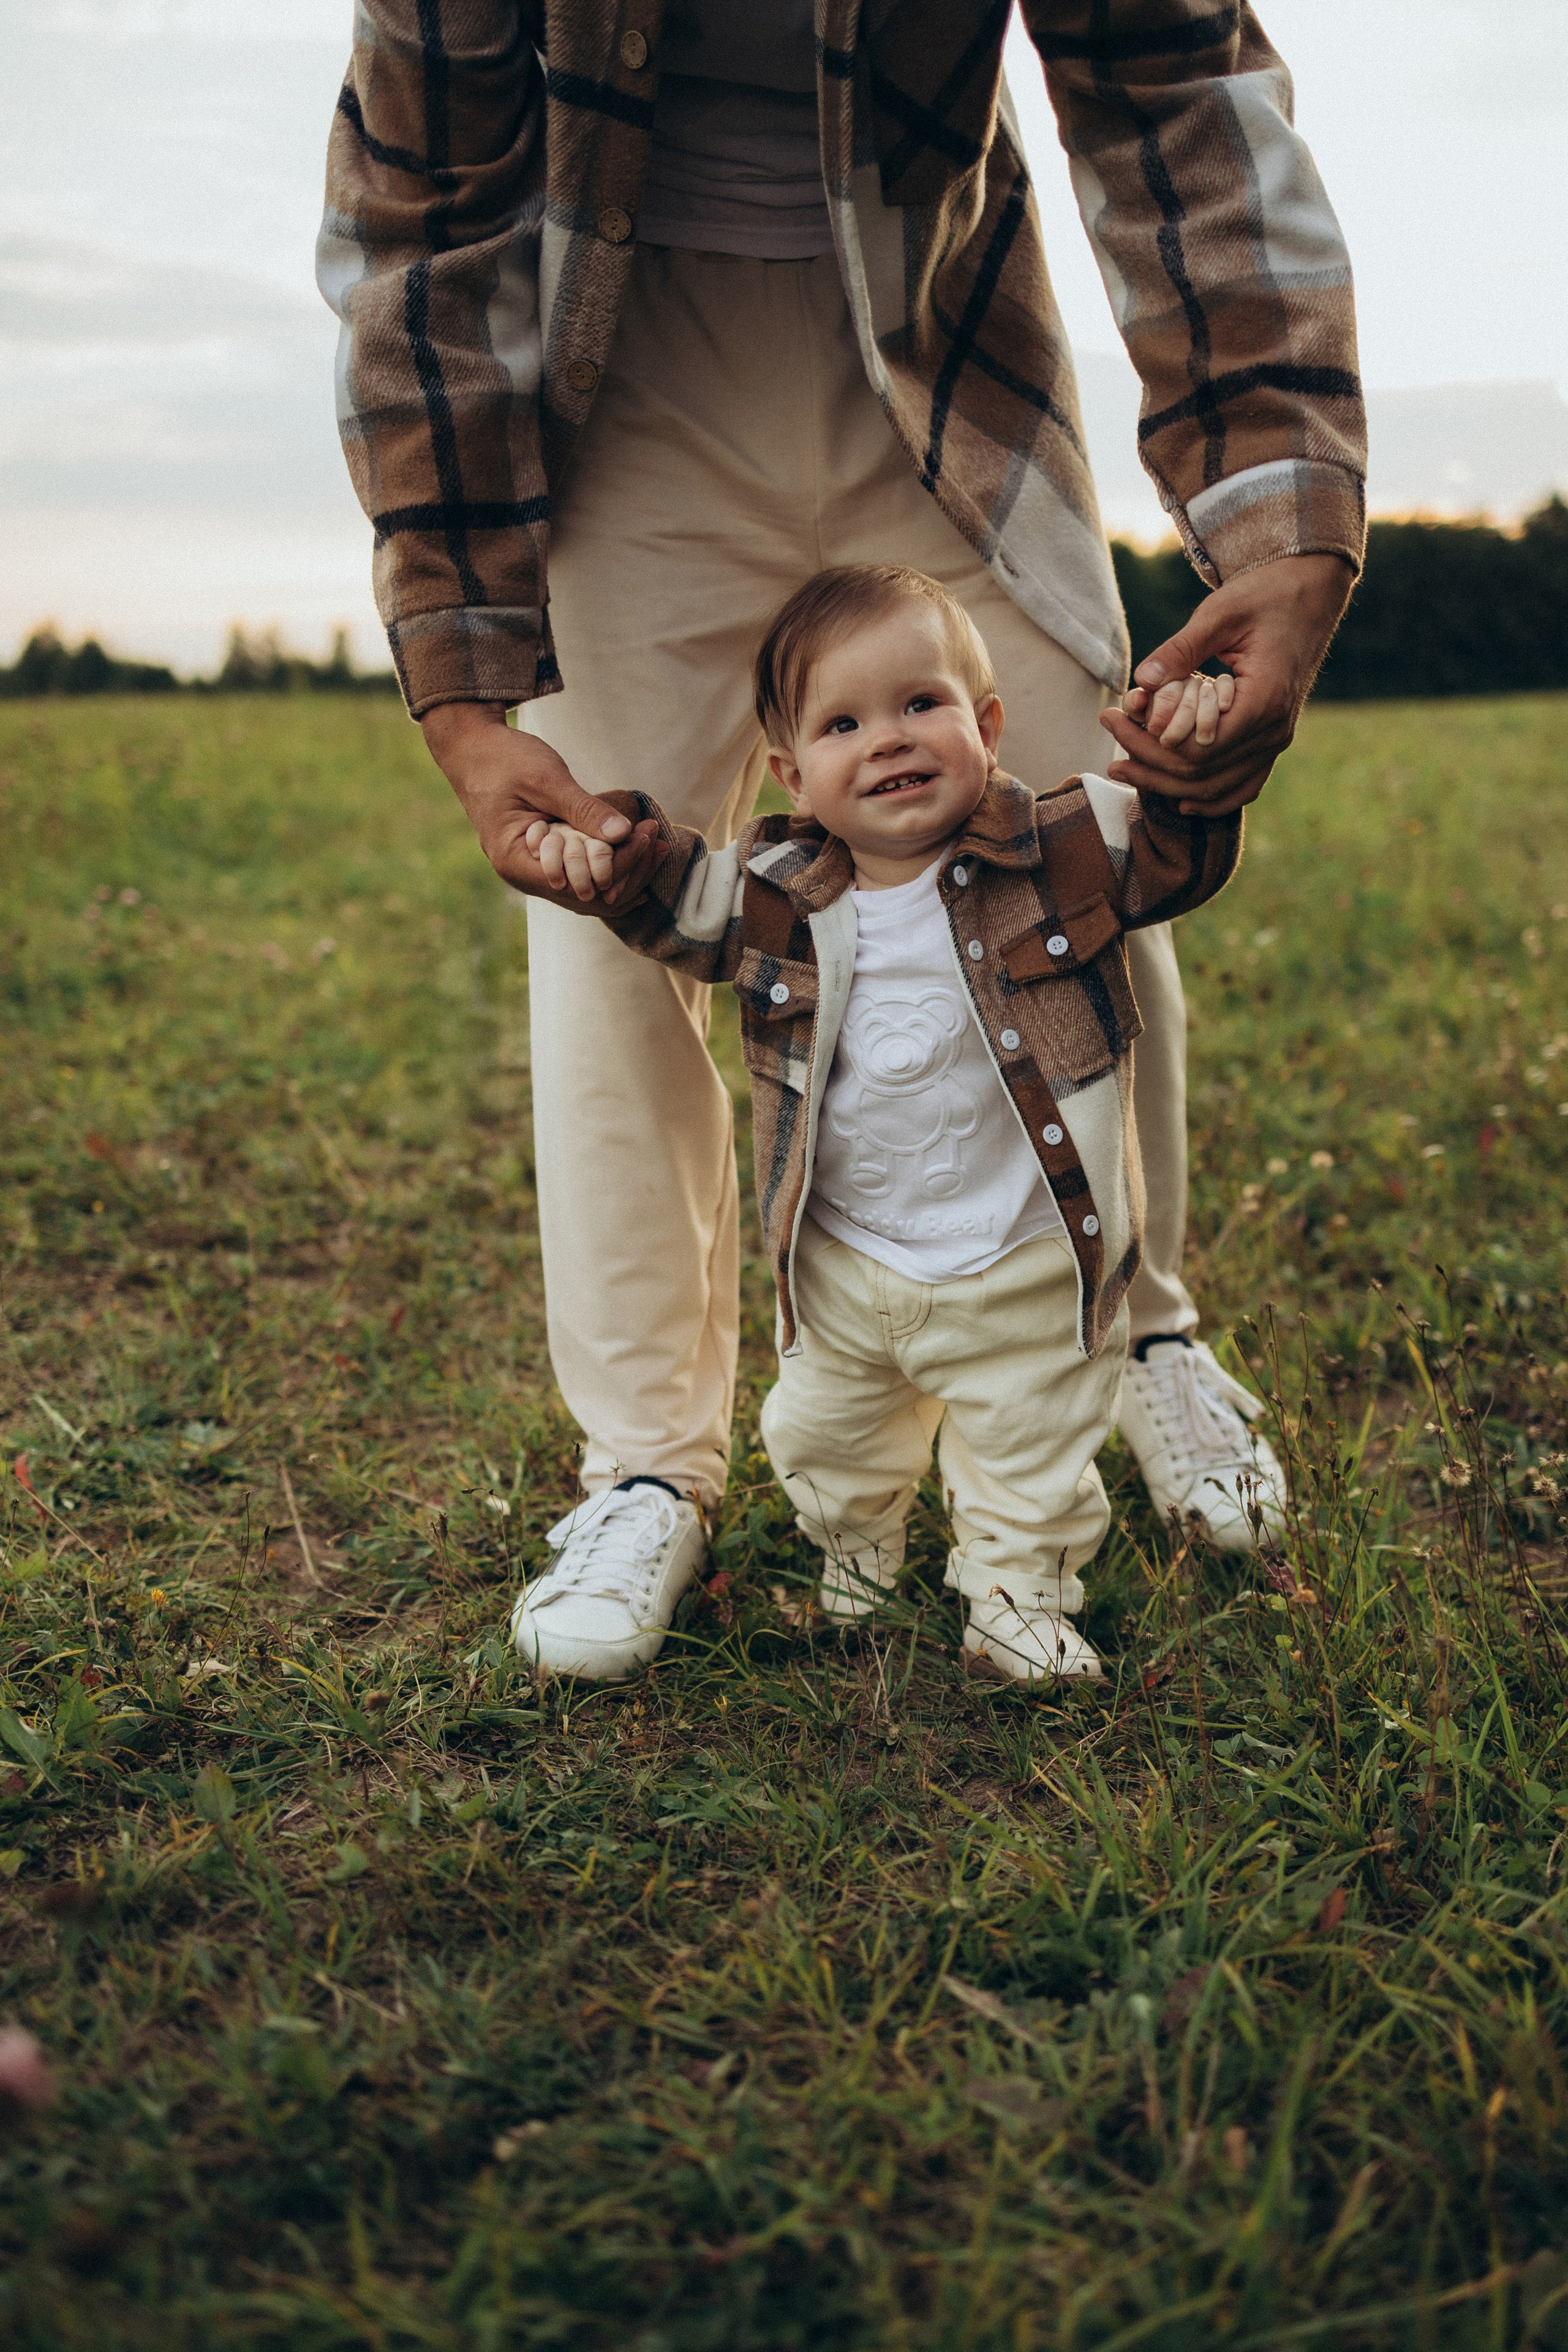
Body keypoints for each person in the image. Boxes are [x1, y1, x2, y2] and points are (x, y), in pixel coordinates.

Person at [318, 2, 1365, 1635]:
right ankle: (651, 1466)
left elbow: (1174, 88)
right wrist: (457, 669)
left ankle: (1140, 1326)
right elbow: (419, 205)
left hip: (940, 343)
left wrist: (1287, 505)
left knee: (1084, 823)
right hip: (616, 369)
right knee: (604, 890)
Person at [512, 564, 1246, 1681]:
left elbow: (1173, 855)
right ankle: (854, 1549)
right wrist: (613, 860)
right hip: (850, 1267)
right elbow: (670, 902)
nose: (891, 739)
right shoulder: (777, 891)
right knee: (825, 1437)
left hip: (1026, 1263)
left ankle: (1017, 1596)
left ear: (988, 725)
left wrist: (1193, 775)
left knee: (1031, 1454)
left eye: (922, 705)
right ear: (793, 775)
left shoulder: (1061, 847)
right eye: (844, 722)